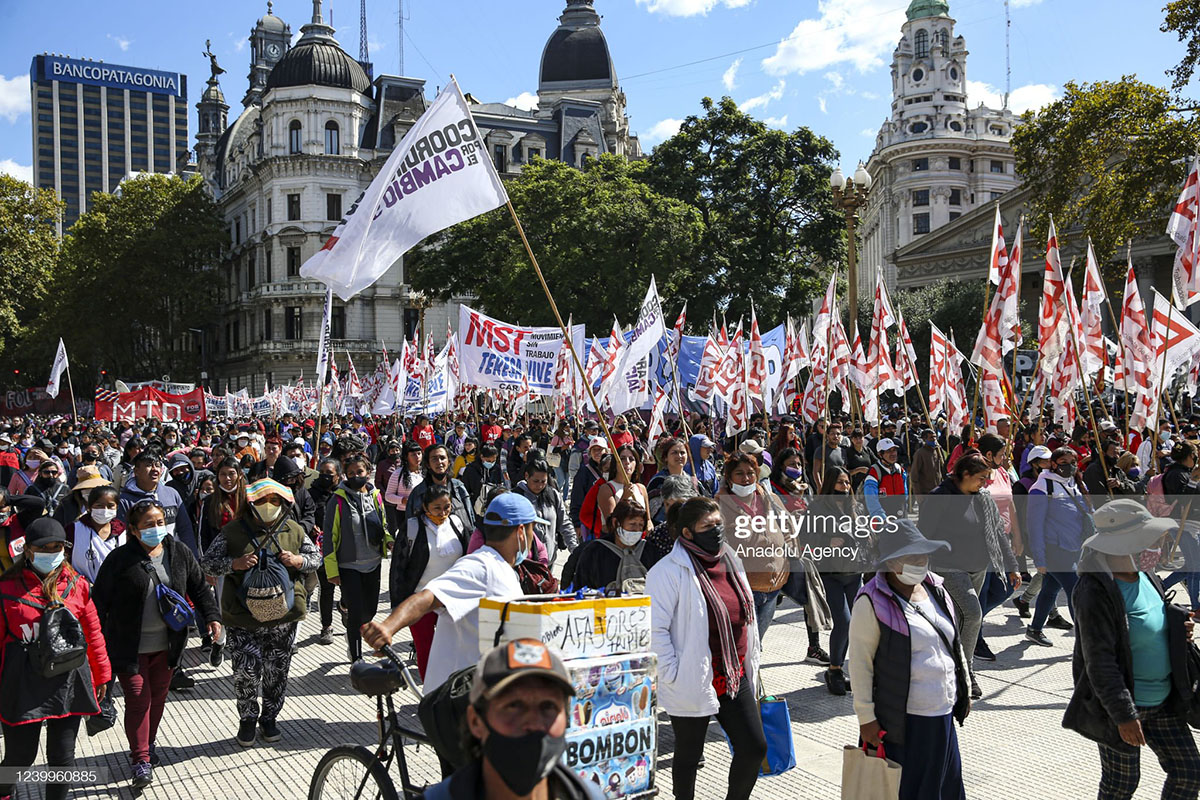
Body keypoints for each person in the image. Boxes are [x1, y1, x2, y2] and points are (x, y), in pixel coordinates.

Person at [1065, 499, 1200, 800]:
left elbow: (1154, 621)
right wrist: (1123, 715)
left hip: (1165, 699)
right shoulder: (1093, 591)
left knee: (1190, 772)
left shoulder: (1146, 574)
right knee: (1121, 785)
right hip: (1124, 706)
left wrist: (1177, 631)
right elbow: (1099, 661)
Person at [91, 498, 221, 789]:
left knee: (158, 698)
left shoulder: (179, 552)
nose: (156, 528)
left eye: (160, 522)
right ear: (135, 531)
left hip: (168, 646)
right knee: (138, 700)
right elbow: (98, 602)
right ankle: (139, 759)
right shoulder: (120, 559)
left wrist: (212, 617)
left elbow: (199, 587)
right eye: (148, 524)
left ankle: (147, 747)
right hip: (128, 648)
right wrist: (96, 643)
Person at [647, 497, 766, 800]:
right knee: (689, 756)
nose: (716, 531)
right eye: (707, 526)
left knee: (754, 748)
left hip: (733, 674)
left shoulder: (730, 557)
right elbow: (655, 629)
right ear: (687, 533)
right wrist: (672, 673)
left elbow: (745, 611)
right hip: (694, 675)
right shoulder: (667, 572)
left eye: (718, 524)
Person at [848, 519, 970, 800]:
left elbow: (952, 641)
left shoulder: (937, 590)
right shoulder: (871, 601)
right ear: (891, 563)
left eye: (924, 555)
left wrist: (964, 687)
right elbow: (860, 664)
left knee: (945, 789)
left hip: (942, 714)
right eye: (912, 557)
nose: (921, 561)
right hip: (905, 723)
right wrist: (866, 718)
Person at [361, 493, 529, 692]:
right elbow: (427, 597)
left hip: (483, 693)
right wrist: (388, 627)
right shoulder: (481, 565)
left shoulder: (504, 570)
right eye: (533, 529)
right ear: (521, 532)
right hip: (455, 702)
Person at [201, 479, 320, 746]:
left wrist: (299, 560)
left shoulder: (295, 530)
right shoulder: (231, 531)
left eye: (275, 501)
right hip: (242, 618)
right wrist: (234, 563)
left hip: (283, 617)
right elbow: (207, 562)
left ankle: (269, 718)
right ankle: (247, 719)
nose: (269, 507)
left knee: (277, 670)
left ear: (284, 504)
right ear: (251, 504)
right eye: (263, 501)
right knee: (246, 671)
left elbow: (316, 558)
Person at [0, 518, 112, 800]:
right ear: (27, 550)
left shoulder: (78, 585)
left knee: (62, 760)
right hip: (22, 682)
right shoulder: (6, 589)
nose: (52, 553)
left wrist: (102, 676)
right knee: (19, 758)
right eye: (44, 548)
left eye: (57, 547)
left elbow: (93, 634)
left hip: (68, 678)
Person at [417, 638, 603, 800]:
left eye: (548, 707)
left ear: (567, 719)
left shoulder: (588, 795)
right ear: (476, 721)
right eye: (514, 706)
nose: (534, 723)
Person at [924, 453, 1018, 698]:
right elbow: (924, 536)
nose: (985, 483)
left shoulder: (983, 499)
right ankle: (966, 673)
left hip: (978, 568)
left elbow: (997, 533)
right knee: (973, 614)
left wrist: (1012, 565)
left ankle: (949, 664)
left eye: (987, 478)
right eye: (981, 478)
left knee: (960, 620)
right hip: (948, 568)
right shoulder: (940, 497)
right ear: (964, 475)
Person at [388, 484, 469, 680]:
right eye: (437, 508)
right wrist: (398, 606)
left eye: (447, 507)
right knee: (425, 648)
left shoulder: (457, 524)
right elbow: (398, 568)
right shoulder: (412, 527)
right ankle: (429, 693)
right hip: (420, 600)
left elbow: (468, 557)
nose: (443, 513)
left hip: (451, 601)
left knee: (453, 648)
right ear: (425, 507)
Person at [323, 453, 394, 663]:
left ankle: (346, 613)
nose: (356, 476)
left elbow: (383, 525)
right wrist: (332, 571)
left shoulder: (376, 496)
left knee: (369, 613)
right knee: (355, 616)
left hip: (373, 563)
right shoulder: (337, 501)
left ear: (368, 473)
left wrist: (389, 541)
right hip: (348, 566)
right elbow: (329, 537)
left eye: (360, 472)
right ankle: (356, 658)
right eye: (351, 473)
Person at [716, 452, 789, 640]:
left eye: (750, 472)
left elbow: (788, 531)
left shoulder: (770, 499)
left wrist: (785, 562)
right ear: (729, 478)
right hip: (742, 590)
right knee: (743, 643)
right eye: (739, 473)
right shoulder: (719, 506)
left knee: (758, 642)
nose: (746, 478)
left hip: (772, 589)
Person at [812, 466, 869, 696]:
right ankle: (834, 668)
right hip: (830, 574)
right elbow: (806, 536)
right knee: (843, 621)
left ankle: (847, 668)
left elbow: (866, 534)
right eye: (840, 483)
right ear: (830, 484)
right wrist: (827, 541)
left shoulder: (856, 507)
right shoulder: (817, 508)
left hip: (854, 573)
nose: (845, 487)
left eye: (847, 483)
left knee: (857, 623)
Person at [1026, 446, 1091, 646]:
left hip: (1074, 547)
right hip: (1055, 549)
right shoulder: (1042, 487)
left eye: (1073, 462)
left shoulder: (1074, 483)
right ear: (1052, 464)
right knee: (1075, 591)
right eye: (1064, 463)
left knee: (1050, 589)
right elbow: (1034, 525)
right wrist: (1039, 559)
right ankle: (1084, 640)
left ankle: (1035, 629)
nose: (1069, 467)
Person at [561, 498, 652, 592]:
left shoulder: (648, 550)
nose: (637, 530)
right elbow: (581, 587)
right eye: (632, 524)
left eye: (640, 525)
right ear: (616, 523)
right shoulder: (595, 551)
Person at [117, 452, 198, 556]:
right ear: (136, 471)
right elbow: (122, 537)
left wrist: (193, 557)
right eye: (148, 465)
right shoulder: (125, 500)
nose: (154, 469)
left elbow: (185, 529)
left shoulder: (172, 493)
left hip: (172, 557)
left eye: (158, 465)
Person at [1159, 439, 1200, 610]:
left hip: (1193, 525)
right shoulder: (1176, 474)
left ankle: (1159, 589)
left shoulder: (1185, 471)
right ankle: (1196, 606)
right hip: (1184, 525)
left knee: (1190, 566)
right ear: (1190, 455)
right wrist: (1193, 480)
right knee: (1196, 567)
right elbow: (1183, 500)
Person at [516, 459, 576, 566]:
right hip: (525, 564)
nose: (539, 485)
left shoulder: (553, 495)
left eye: (543, 481)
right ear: (526, 476)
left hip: (549, 560)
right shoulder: (516, 498)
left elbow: (564, 523)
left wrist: (574, 548)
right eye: (535, 481)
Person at [309, 457, 342, 645]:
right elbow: (305, 514)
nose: (325, 477)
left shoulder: (344, 493)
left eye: (329, 474)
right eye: (322, 473)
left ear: (338, 475)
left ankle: (344, 607)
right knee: (326, 587)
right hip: (322, 548)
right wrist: (311, 524)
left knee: (346, 586)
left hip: (344, 548)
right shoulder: (311, 494)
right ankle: (326, 626)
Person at [68, 484, 126, 584]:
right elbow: (65, 562)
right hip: (81, 591)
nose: (105, 510)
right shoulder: (73, 530)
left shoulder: (123, 533)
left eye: (110, 506)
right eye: (99, 505)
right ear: (90, 507)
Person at [644, 474, 698, 568]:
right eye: (668, 504)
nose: (672, 511)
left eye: (678, 505)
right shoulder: (657, 535)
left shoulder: (701, 531)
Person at [646, 437, 694, 524]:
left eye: (682, 453)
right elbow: (653, 513)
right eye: (674, 453)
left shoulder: (691, 480)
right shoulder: (658, 481)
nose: (679, 456)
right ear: (665, 457)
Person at [570, 437, 609, 533]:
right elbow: (577, 498)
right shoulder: (584, 472)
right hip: (591, 523)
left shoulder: (613, 470)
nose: (597, 452)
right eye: (594, 450)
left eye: (600, 449)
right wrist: (577, 523)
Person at [864, 437, 907, 521]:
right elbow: (871, 500)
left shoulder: (900, 470)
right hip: (884, 519)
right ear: (880, 454)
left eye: (894, 450)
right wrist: (881, 518)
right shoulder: (874, 472)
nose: (893, 454)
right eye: (888, 451)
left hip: (901, 516)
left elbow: (905, 493)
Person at [383, 441, 424, 517]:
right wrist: (402, 500)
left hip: (423, 513)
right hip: (404, 514)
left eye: (419, 453)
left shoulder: (425, 473)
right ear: (406, 457)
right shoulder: (397, 474)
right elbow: (388, 496)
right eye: (413, 455)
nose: (417, 457)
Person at [910, 428, 946, 497]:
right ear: (924, 439)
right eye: (931, 437)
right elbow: (914, 475)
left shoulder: (938, 451)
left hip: (938, 490)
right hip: (926, 492)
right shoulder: (920, 453)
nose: (934, 439)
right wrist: (918, 494)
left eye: (935, 437)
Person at [813, 421, 845, 492]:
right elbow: (816, 471)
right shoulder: (821, 450)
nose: (835, 436)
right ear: (827, 436)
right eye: (832, 434)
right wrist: (820, 487)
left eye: (838, 434)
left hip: (840, 487)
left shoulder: (843, 451)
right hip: (826, 487)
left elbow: (845, 471)